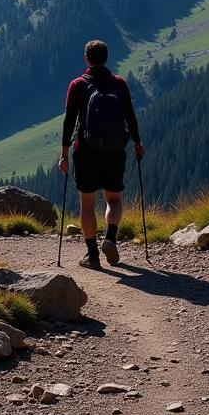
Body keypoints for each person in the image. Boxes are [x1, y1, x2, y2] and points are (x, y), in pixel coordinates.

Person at [58, 39, 145, 269]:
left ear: (87, 57)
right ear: (106, 58)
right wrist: (137, 142)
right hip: (115, 150)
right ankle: (110, 238)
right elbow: (130, 116)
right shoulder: (119, 84)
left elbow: (69, 121)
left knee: (87, 203)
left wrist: (64, 153)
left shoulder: (77, 84)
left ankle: (92, 255)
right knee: (114, 198)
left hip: (85, 150)